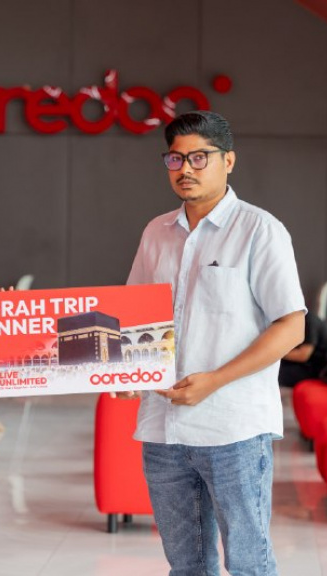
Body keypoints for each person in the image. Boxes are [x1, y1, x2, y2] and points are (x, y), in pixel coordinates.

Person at [126, 111, 305, 576]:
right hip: (163, 429)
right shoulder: (155, 233)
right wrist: (126, 371)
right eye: (175, 158)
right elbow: (133, 319)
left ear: (229, 161)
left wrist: (215, 380)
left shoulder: (259, 230)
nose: (185, 168)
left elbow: (291, 326)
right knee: (185, 565)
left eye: (199, 157)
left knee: (248, 563)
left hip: (233, 429)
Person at [279, 313, 327, 387]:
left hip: (317, 370)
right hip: (305, 365)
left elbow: (303, 355)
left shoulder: (309, 322)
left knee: (274, 372)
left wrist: (275, 354)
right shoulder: (299, 320)